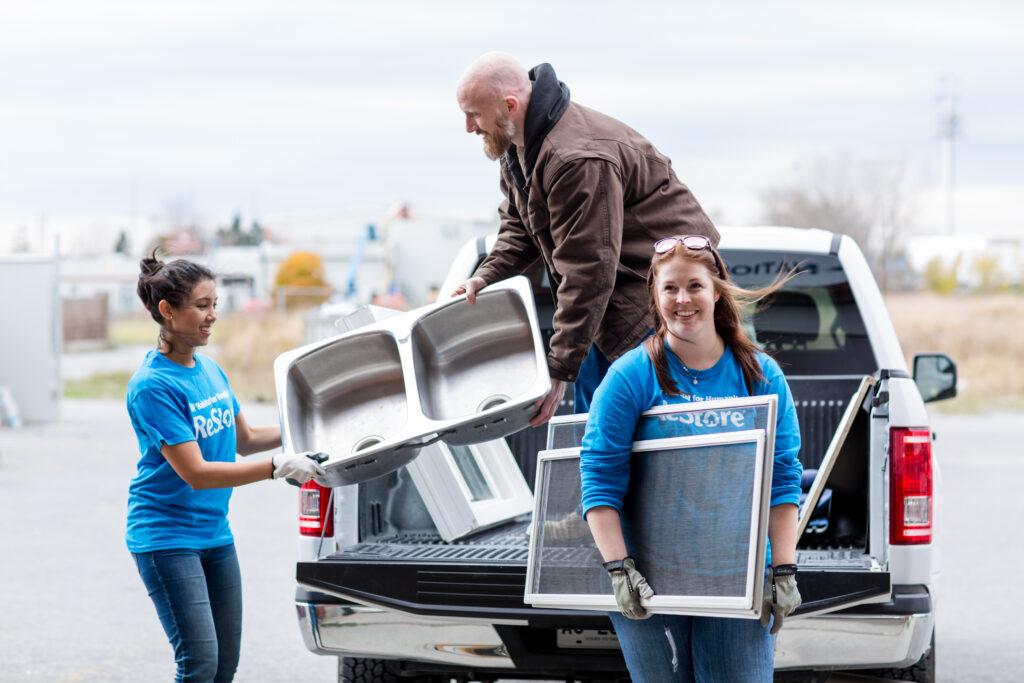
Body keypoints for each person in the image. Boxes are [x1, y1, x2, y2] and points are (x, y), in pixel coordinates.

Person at [579, 235, 803, 681]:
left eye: (695, 286)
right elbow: (599, 477)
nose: (683, 299)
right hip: (651, 578)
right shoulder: (630, 375)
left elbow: (782, 477)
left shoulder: (760, 374)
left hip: (736, 579)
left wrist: (783, 570)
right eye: (670, 288)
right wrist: (620, 570)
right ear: (654, 295)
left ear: (715, 290)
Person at [454, 52, 720, 425]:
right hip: (607, 315)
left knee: (633, 449)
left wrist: (561, 368)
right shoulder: (520, 144)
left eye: (473, 114)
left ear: (509, 105)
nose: (468, 127)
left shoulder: (574, 159)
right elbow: (520, 226)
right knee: (596, 449)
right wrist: (485, 275)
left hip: (654, 313)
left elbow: (588, 270)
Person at [125, 254, 325, 682]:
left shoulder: (209, 369)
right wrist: (277, 467)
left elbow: (245, 439)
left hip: (215, 533)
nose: (212, 315)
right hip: (166, 538)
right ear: (167, 311)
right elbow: (196, 473)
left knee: (224, 666)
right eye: (201, 305)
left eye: (214, 303)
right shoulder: (152, 386)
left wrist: (309, 431)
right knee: (199, 666)